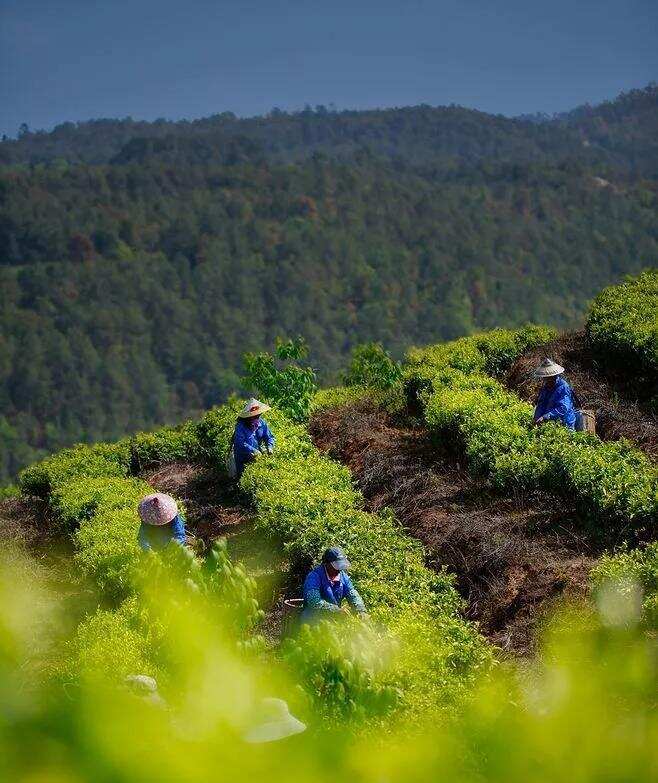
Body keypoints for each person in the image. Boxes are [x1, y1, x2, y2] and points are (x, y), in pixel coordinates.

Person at [301, 546, 366, 624]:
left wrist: (361, 610)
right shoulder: (314, 577)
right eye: (336, 566)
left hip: (332, 623)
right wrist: (337, 610)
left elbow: (353, 594)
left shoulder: (342, 576)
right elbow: (314, 601)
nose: (338, 569)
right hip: (312, 622)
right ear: (326, 564)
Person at [231, 398, 275, 478]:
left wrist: (270, 447)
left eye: (257, 416)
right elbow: (240, 443)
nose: (256, 418)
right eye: (253, 417)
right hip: (242, 457)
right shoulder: (240, 426)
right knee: (242, 478)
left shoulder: (262, 423)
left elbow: (269, 437)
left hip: (256, 457)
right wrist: (253, 450)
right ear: (248, 417)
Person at [532, 358, 577, 430]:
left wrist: (545, 417)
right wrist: (536, 417)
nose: (546, 380)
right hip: (550, 423)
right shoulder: (546, 387)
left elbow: (563, 408)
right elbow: (541, 403)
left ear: (554, 376)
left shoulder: (563, 387)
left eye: (549, 378)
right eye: (545, 378)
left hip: (565, 423)